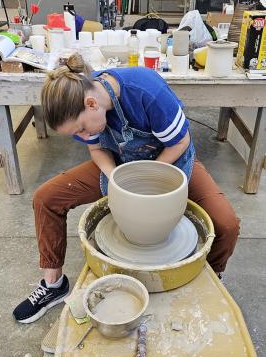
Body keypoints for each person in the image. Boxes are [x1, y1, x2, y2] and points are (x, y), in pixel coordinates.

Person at [13, 54, 240, 324]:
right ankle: (53, 286)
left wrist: (149, 178)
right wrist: (116, 178)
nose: (83, 136)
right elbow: (97, 149)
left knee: (226, 225)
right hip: (119, 164)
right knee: (45, 198)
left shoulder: (146, 90)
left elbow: (180, 142)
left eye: (83, 129)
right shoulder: (85, 106)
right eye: (77, 133)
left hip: (172, 162)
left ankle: (207, 279)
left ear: (92, 103)